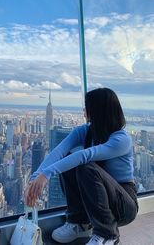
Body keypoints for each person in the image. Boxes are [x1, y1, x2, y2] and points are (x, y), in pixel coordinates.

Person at [25, 87, 138, 245]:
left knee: (85, 165)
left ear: (98, 110)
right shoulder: (85, 131)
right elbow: (58, 152)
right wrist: (35, 178)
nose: (84, 110)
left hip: (124, 205)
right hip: (98, 197)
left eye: (88, 106)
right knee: (69, 159)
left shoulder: (121, 139)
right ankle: (79, 223)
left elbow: (85, 155)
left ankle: (107, 235)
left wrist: (46, 175)